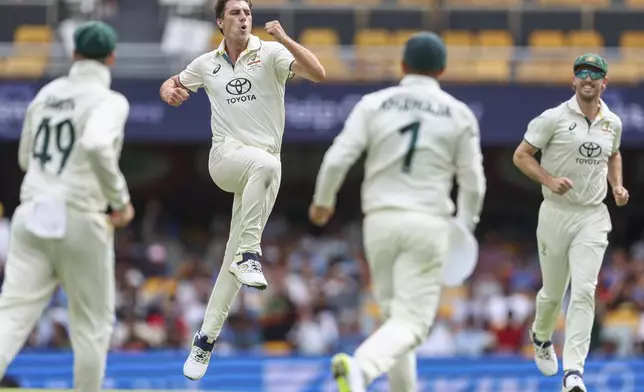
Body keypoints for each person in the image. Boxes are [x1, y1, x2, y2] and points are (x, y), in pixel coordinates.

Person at [309, 31, 486, 392]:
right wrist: (463, 231)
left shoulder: (375, 103)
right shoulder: (459, 113)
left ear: (403, 65)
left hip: (380, 222)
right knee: (414, 324)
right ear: (443, 69)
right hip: (428, 223)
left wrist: (323, 201)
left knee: (396, 321)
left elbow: (338, 157)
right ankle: (361, 368)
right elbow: (474, 185)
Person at [158, 0, 325, 381]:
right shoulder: (206, 64)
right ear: (220, 21)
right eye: (235, 12)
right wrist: (169, 90)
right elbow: (174, 83)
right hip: (226, 160)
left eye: (247, 12)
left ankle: (205, 340)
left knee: (232, 262)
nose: (244, 17)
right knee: (264, 173)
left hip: (264, 171)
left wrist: (283, 37)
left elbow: (318, 72)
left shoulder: (271, 53)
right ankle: (251, 253)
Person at [0, 21, 134, 392]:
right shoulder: (110, 101)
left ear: (74, 54)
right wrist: (120, 201)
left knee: (11, 317)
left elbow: (27, 158)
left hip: (32, 212)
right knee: (91, 327)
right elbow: (95, 144)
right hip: (79, 213)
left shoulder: (45, 94)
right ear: (112, 57)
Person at [513, 53, 628, 392]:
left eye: (595, 74)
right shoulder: (553, 118)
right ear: (574, 81)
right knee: (552, 293)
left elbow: (614, 153)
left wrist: (617, 185)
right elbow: (521, 155)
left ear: (604, 83)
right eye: (582, 73)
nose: (588, 78)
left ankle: (573, 372)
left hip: (593, 215)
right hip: (555, 213)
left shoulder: (613, 123)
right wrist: (548, 180)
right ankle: (541, 336)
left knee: (584, 291)